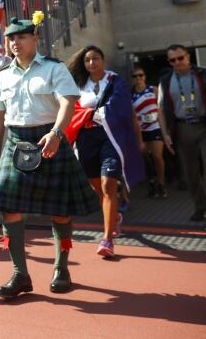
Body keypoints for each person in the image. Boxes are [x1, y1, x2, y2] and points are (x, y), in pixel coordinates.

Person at [0, 15, 98, 298]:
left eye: (21, 37)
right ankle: (20, 274)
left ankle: (62, 267)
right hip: (16, 142)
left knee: (60, 211)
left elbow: (67, 102)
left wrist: (57, 134)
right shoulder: (2, 76)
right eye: (11, 39)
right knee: (8, 207)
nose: (15, 43)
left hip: (50, 138)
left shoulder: (53, 69)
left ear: (35, 39)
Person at [65, 46, 143, 258]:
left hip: (111, 136)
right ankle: (114, 215)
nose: (92, 63)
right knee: (97, 186)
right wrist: (88, 114)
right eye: (88, 60)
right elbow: (72, 109)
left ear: (103, 59)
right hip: (86, 139)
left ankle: (107, 239)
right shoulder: (78, 85)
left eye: (96, 58)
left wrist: (95, 113)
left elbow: (121, 105)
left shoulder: (115, 80)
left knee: (109, 183)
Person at [157, 45, 206, 231]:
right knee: (190, 173)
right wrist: (165, 133)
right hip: (182, 128)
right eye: (172, 60)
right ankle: (200, 207)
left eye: (180, 58)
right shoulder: (165, 80)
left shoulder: (205, 73)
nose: (177, 63)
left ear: (188, 57)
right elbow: (160, 109)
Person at [131, 64, 167, 199]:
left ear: (145, 77)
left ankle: (161, 183)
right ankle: (152, 181)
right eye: (135, 76)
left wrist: (165, 127)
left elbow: (162, 108)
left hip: (155, 126)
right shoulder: (131, 94)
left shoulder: (154, 89)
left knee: (157, 156)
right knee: (146, 158)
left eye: (141, 75)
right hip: (140, 130)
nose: (138, 78)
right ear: (132, 79)